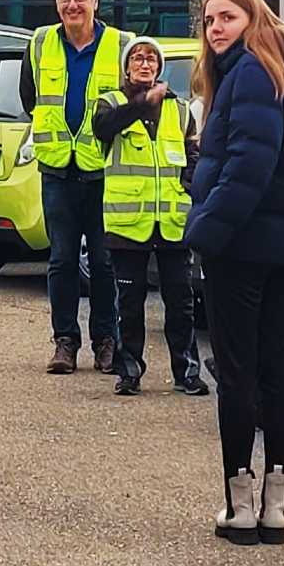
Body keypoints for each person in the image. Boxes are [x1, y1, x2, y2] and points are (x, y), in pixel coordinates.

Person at [183, 0, 284, 546]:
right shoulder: (278, 71)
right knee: (276, 370)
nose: (215, 28)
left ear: (253, 19)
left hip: (243, 246)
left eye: (227, 17)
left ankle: (241, 511)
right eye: (209, 20)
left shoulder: (248, 72)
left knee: (239, 373)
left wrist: (206, 233)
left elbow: (248, 165)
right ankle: (276, 506)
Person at [19, 0, 131, 375]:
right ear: (56, 1)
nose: (72, 6)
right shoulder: (40, 42)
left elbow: (128, 105)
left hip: (102, 171)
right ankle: (64, 342)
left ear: (95, 0)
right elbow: (30, 96)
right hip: (57, 171)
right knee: (62, 261)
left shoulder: (120, 45)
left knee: (103, 263)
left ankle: (106, 341)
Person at [90, 36, 206, 397]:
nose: (144, 64)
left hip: (171, 223)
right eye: (137, 58)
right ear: (126, 67)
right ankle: (129, 372)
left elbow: (194, 155)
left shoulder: (180, 109)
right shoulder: (110, 103)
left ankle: (186, 372)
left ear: (159, 67)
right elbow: (103, 129)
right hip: (128, 224)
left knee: (181, 302)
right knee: (129, 303)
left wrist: (189, 185)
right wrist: (142, 103)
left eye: (151, 59)